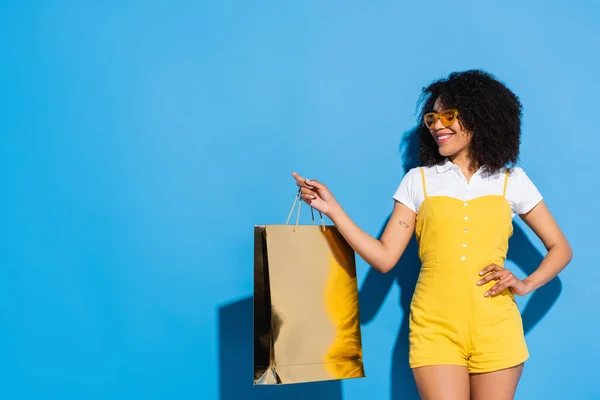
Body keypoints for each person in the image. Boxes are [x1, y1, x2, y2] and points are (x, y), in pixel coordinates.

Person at [291, 69, 572, 400]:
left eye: (448, 116)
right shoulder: (418, 181)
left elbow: (560, 248)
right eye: (432, 118)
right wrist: (333, 209)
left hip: (497, 328)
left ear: (481, 117)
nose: (437, 125)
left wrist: (525, 284)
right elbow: (384, 259)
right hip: (434, 329)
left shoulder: (512, 181)